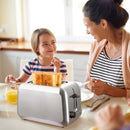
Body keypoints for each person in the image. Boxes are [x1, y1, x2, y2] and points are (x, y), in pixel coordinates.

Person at [82, 0, 130, 97]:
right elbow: (87, 83)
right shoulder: (96, 45)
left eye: (87, 26)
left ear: (103, 24)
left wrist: (108, 89)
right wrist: (90, 85)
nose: (87, 32)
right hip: (96, 108)